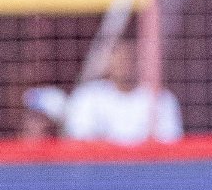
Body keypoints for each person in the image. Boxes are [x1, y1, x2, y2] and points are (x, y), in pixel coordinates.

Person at [24, 41, 182, 145]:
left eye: (129, 59)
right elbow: (80, 139)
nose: (124, 64)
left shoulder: (161, 99)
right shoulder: (89, 96)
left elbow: (170, 142)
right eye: (119, 59)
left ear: (139, 63)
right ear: (109, 63)